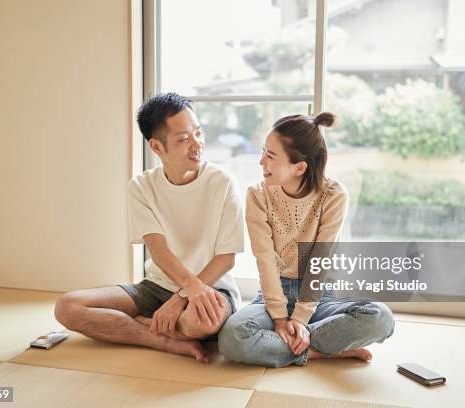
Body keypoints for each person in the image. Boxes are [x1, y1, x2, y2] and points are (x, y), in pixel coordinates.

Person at [54, 93, 244, 363]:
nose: (197, 144)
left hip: (212, 288)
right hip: (156, 286)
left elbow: (226, 258)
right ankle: (161, 339)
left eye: (198, 133)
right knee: (67, 307)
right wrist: (180, 293)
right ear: (157, 147)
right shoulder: (141, 187)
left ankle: (145, 324)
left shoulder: (223, 182)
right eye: (183, 139)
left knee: (202, 323)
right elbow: (158, 250)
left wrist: (182, 296)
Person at [218, 112, 395, 368]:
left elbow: (320, 261)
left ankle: (296, 342)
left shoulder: (334, 195)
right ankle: (320, 351)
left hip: (321, 296)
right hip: (273, 294)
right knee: (232, 339)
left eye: (270, 156)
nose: (260, 161)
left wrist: (300, 320)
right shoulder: (257, 195)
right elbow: (264, 260)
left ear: (299, 167)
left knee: (380, 318)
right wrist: (279, 319)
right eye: (263, 151)